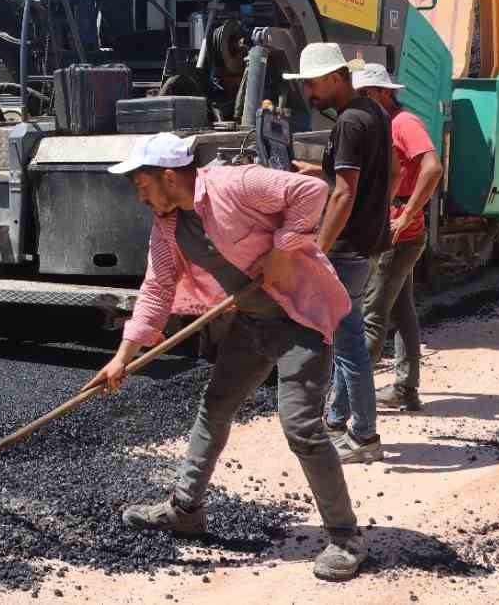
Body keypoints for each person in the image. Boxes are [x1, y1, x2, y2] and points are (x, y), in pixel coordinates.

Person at [91, 132, 367, 582]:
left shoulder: (232, 184)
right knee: (215, 407)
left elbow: (312, 190)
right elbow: (157, 288)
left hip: (299, 318)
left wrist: (284, 248)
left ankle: (345, 537)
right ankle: (185, 509)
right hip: (253, 323)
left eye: (142, 187)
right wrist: (122, 357)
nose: (139, 197)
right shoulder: (168, 225)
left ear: (167, 177)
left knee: (301, 426)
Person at [283, 43, 397, 464]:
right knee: (348, 337)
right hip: (367, 243)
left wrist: (317, 249)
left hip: (347, 249)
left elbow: (346, 193)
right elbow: (379, 175)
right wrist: (318, 171)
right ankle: (336, 416)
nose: (309, 92)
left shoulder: (349, 122)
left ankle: (365, 436)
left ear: (335, 77)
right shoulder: (375, 114)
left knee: (348, 344)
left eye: (312, 83)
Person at [353, 63, 444, 412]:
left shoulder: (404, 123)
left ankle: (350, 405)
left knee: (371, 315)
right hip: (394, 231)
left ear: (386, 92)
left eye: (367, 94)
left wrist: (405, 216)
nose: (361, 100)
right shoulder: (381, 124)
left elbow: (433, 167)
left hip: (398, 236)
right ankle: (406, 389)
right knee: (402, 311)